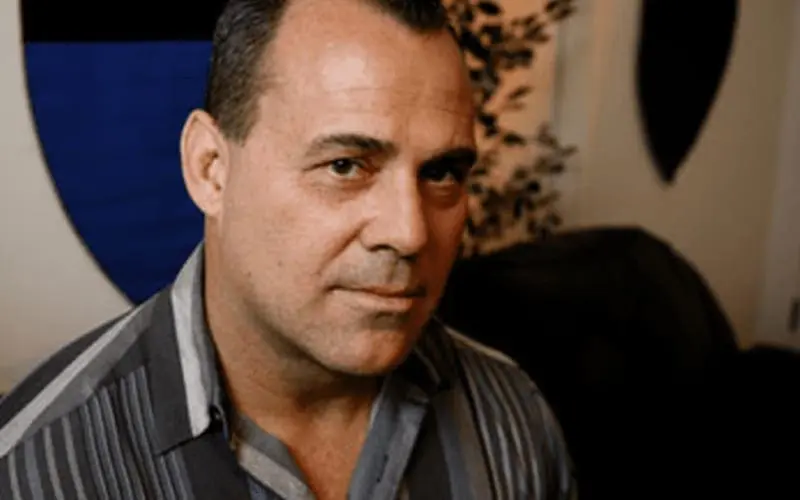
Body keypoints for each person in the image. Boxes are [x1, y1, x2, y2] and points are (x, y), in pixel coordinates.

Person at [0, 0, 575, 498]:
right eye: (345, 165)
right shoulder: (35, 467)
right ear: (211, 168)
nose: (410, 232)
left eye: (443, 173)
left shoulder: (513, 419)